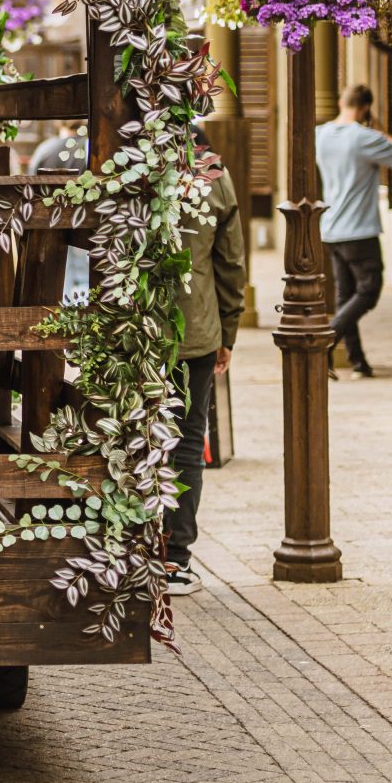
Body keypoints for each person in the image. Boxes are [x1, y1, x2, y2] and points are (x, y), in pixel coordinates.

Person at [162, 152, 246, 598]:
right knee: (187, 441)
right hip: (193, 328)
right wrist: (227, 329)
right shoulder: (214, 175)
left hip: (130, 326)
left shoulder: (119, 163)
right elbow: (229, 262)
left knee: (132, 435)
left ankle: (129, 548)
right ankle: (174, 560)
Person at [315, 84, 392, 377]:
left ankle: (358, 363)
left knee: (345, 295)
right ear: (365, 108)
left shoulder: (321, 135)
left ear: (341, 101)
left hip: (331, 228)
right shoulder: (364, 138)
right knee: (369, 290)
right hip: (360, 230)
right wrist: (380, 131)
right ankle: (327, 340)